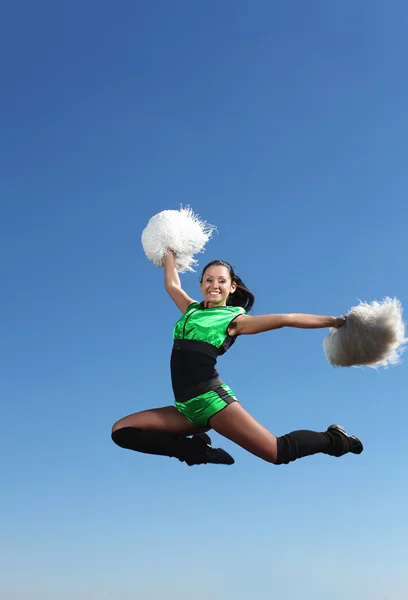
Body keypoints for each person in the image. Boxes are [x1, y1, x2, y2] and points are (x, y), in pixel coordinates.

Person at [111, 250, 363, 466]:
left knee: (277, 451)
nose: (214, 285)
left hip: (213, 403)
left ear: (231, 287)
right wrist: (168, 249)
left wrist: (334, 321)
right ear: (200, 285)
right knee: (122, 431)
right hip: (185, 409)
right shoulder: (190, 309)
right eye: (208, 279)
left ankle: (336, 439)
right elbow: (172, 285)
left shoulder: (234, 319)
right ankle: (194, 450)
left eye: (222, 280)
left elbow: (288, 318)